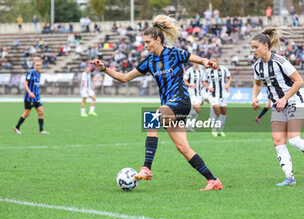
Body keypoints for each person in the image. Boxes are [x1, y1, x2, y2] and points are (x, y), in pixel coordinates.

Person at [90, 15, 222, 191]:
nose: (145, 45)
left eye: (148, 42)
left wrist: (208, 62)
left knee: (152, 118)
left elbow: (199, 60)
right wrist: (104, 69)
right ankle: (213, 181)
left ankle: (146, 168)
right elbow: (124, 78)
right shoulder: (149, 61)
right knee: (183, 148)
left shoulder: (175, 53)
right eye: (144, 42)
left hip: (181, 101)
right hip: (170, 106)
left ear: (158, 40)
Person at [251, 28, 304, 186]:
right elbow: (257, 84)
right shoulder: (257, 66)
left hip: (293, 102)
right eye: (252, 47)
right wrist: (254, 97)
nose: (253, 51)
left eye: (256, 47)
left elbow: (299, 81)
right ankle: (290, 178)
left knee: (294, 139)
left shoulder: (281, 61)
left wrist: (285, 98)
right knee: (278, 141)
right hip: (277, 106)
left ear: (266, 46)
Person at [13, 57, 49, 135]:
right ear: (34, 65)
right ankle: (17, 127)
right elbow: (25, 83)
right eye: (37, 65)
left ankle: (41, 130)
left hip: (37, 97)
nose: (38, 67)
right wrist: (29, 93)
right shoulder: (31, 72)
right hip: (29, 98)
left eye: (39, 65)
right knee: (27, 114)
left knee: (41, 112)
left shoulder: (39, 74)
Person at [202, 58, 231, 137]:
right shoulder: (208, 71)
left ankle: (220, 130)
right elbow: (204, 81)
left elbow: (229, 77)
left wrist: (227, 84)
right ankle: (214, 129)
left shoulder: (223, 69)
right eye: (211, 61)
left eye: (214, 61)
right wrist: (208, 88)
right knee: (217, 111)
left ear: (217, 62)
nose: (213, 63)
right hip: (213, 95)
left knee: (223, 112)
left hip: (222, 94)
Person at [184, 63, 205, 132]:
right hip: (191, 93)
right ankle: (184, 119)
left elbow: (203, 81)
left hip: (199, 93)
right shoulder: (189, 71)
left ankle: (189, 126)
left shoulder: (201, 71)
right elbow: (184, 81)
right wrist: (191, 85)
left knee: (196, 111)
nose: (197, 63)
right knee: (197, 109)